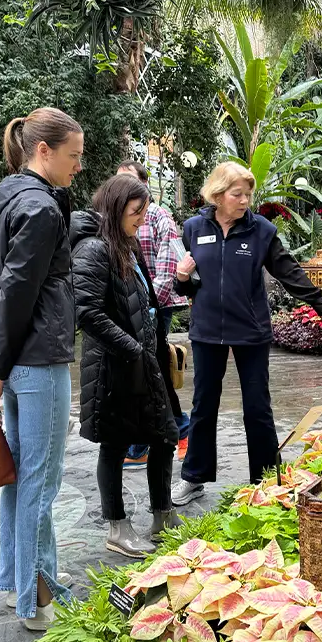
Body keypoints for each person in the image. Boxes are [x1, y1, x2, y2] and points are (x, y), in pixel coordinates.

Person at [170, 162, 322, 506]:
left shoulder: (260, 230)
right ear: (218, 195)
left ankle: (266, 479)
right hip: (206, 331)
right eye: (238, 194)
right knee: (204, 405)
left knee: (257, 407)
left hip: (250, 330)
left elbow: (288, 271)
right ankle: (194, 477)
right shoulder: (192, 228)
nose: (245, 200)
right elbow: (186, 288)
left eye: (248, 194)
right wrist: (182, 278)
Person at [0, 107, 83, 631]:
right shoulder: (38, 208)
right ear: (44, 151)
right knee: (39, 481)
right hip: (36, 357)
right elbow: (15, 290)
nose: (77, 166)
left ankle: (20, 584)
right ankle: (38, 596)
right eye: (73, 155)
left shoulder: (7, 201)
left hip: (17, 358)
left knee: (21, 478)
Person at [73, 175, 181, 557]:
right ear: (116, 208)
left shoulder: (126, 245)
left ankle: (163, 515)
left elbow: (144, 301)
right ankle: (117, 527)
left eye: (144, 211)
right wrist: (132, 347)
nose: (141, 219)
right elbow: (87, 313)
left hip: (142, 359)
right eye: (137, 212)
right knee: (115, 445)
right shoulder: (93, 249)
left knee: (165, 434)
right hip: (113, 367)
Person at [115, 160, 190, 469]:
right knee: (150, 370)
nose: (125, 189)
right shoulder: (119, 217)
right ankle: (171, 431)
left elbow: (170, 261)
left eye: (130, 182)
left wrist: (150, 305)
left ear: (145, 184)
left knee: (152, 369)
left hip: (156, 305)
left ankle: (171, 433)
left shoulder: (159, 217)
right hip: (133, 305)